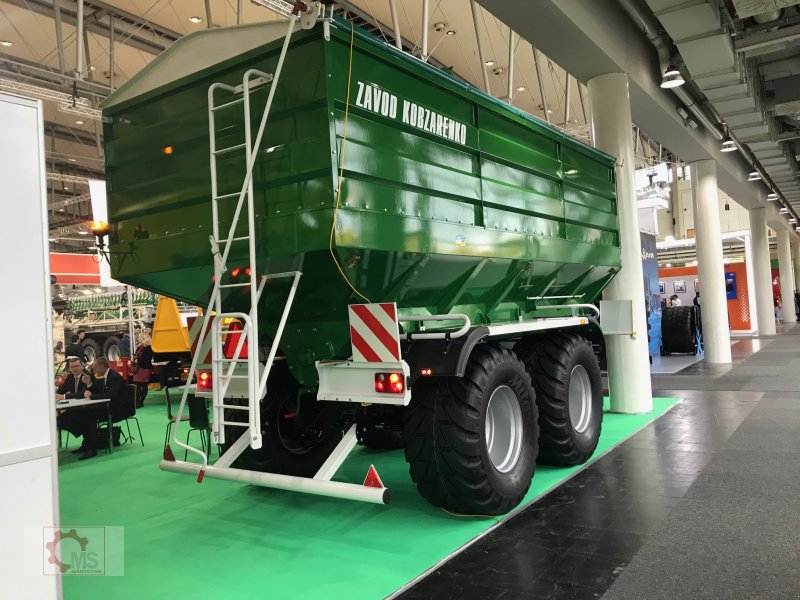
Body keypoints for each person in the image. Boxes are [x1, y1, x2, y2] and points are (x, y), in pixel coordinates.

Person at [132, 333, 154, 408]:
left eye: (140, 337)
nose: (139, 339)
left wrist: (137, 359)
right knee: (137, 386)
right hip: (138, 368)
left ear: (144, 338)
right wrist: (135, 358)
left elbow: (146, 359)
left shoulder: (148, 347)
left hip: (144, 368)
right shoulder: (139, 347)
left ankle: (140, 401)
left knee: (143, 386)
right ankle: (137, 401)